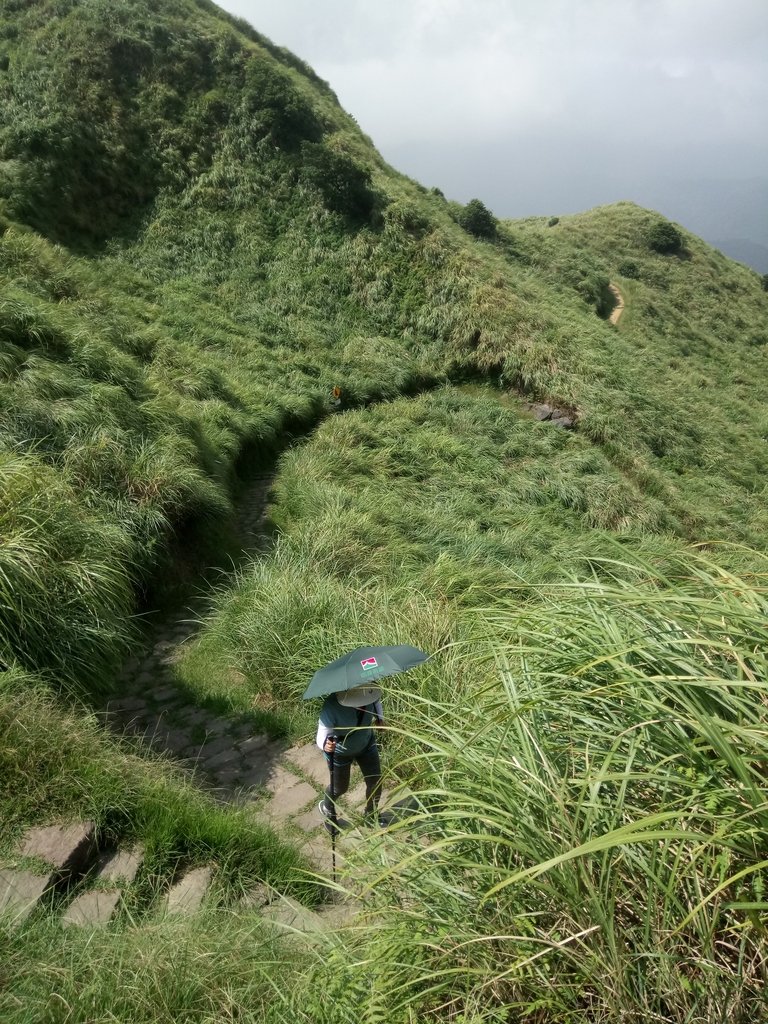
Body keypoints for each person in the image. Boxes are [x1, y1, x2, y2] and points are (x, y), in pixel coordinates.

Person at [316, 685, 383, 823]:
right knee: (340, 788)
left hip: (366, 742)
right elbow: (322, 733)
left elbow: (375, 700)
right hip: (341, 752)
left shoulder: (369, 689)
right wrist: (325, 745)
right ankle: (327, 807)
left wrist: (380, 718)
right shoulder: (332, 705)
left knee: (375, 781)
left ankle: (371, 814)